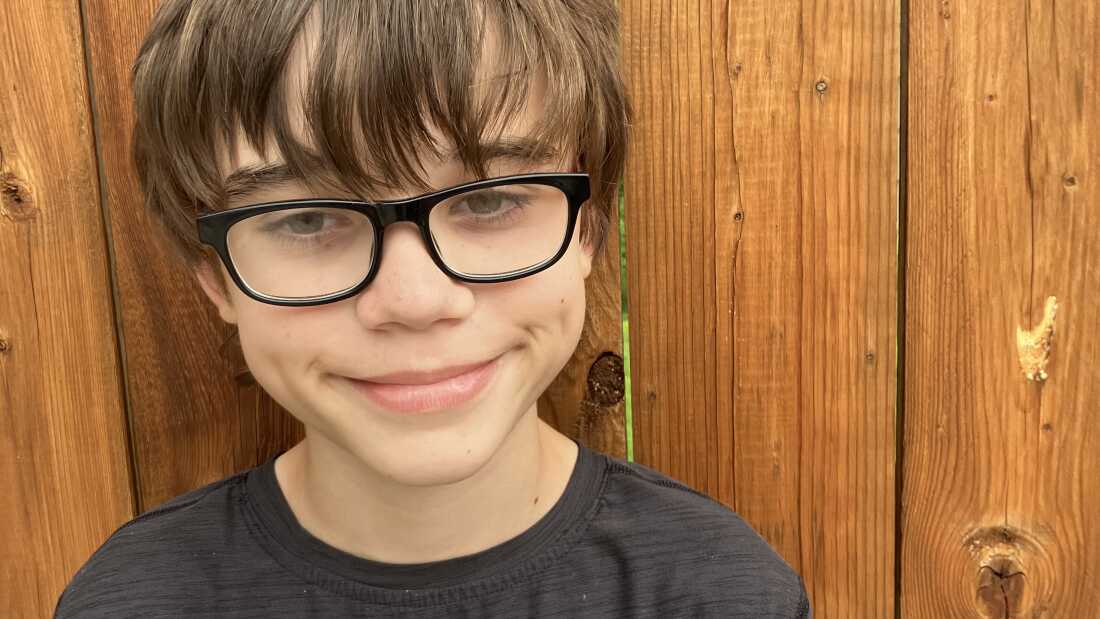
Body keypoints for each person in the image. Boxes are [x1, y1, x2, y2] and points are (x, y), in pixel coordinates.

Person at [55, 1, 810, 616]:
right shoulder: (131, 601)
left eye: (490, 199)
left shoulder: (720, 594)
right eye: (307, 219)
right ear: (214, 276)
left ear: (586, 227)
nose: (413, 302)